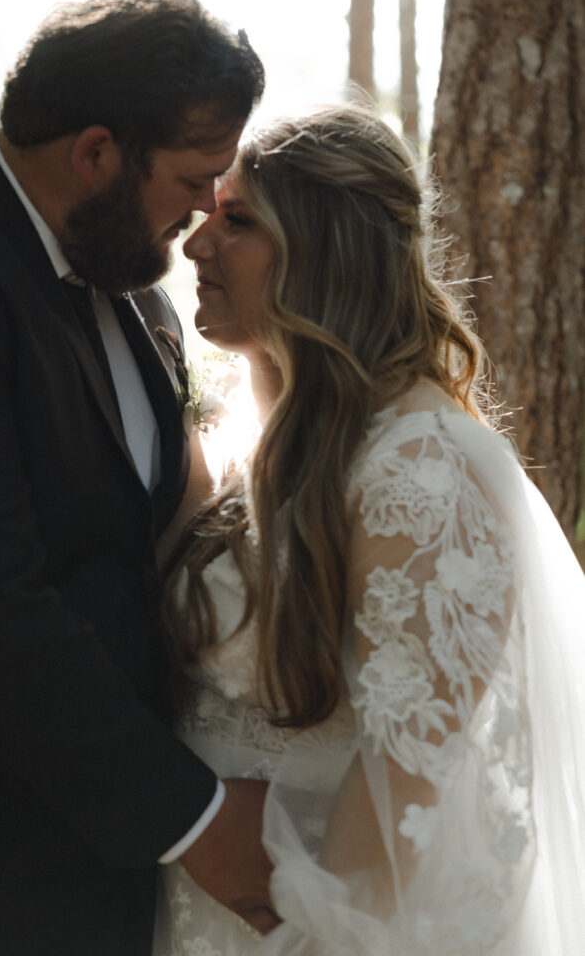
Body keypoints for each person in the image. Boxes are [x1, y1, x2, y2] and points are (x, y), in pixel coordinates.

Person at [156, 104, 585, 954]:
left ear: (325, 250)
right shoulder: (232, 439)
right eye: (205, 216)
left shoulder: (425, 470)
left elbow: (402, 809)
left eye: (236, 221)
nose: (196, 246)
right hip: (182, 905)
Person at [0, 0, 278, 956]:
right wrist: (193, 817)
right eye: (194, 179)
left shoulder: (127, 284)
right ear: (98, 153)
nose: (204, 216)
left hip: (106, 882)